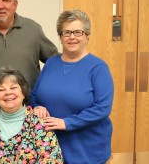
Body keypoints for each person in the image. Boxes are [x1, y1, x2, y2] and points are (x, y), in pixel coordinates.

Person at [30, 9, 114, 164]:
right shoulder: (51, 64)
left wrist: (66, 123)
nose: (72, 37)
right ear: (60, 37)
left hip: (86, 150)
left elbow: (103, 108)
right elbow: (34, 95)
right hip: (50, 146)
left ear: (87, 36)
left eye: (78, 32)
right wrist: (37, 107)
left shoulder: (98, 68)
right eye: (66, 32)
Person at [0, 67, 63, 163]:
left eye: (13, 87)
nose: (8, 93)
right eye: (1, 89)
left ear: (23, 93)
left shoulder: (40, 123)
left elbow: (52, 160)